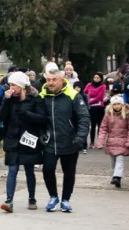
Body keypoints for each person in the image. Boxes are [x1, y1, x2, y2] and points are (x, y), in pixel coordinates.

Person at [39, 63, 91, 213]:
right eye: (48, 79)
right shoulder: (43, 96)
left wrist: (80, 137)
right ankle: (53, 197)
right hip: (50, 142)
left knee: (69, 172)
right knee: (47, 170)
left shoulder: (73, 95)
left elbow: (83, 117)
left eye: (54, 79)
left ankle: (66, 199)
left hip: (70, 141)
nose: (51, 82)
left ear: (62, 80)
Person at [0, 71, 46, 212]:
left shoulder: (35, 99)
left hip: (29, 139)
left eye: (13, 84)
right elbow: (2, 116)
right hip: (12, 138)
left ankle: (32, 198)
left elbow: (42, 119)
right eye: (10, 85)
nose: (11, 87)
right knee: (12, 169)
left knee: (29, 170)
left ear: (21, 86)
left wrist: (27, 113)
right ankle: (9, 200)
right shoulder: (10, 99)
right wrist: (6, 101)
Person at [97, 94, 129, 188]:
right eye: (114, 104)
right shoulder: (108, 115)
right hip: (111, 142)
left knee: (120, 160)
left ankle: (117, 177)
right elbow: (103, 129)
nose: (117, 106)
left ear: (122, 105)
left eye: (119, 104)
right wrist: (100, 142)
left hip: (123, 142)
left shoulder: (127, 115)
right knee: (114, 161)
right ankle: (116, 176)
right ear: (111, 105)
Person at [84, 72, 107, 149]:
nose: (96, 79)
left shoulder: (103, 86)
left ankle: (100, 142)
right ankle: (92, 142)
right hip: (92, 108)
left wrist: (90, 101)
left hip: (100, 107)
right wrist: (88, 100)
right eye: (95, 78)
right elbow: (85, 92)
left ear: (101, 79)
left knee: (100, 125)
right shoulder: (89, 85)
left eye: (98, 78)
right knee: (92, 125)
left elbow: (100, 97)